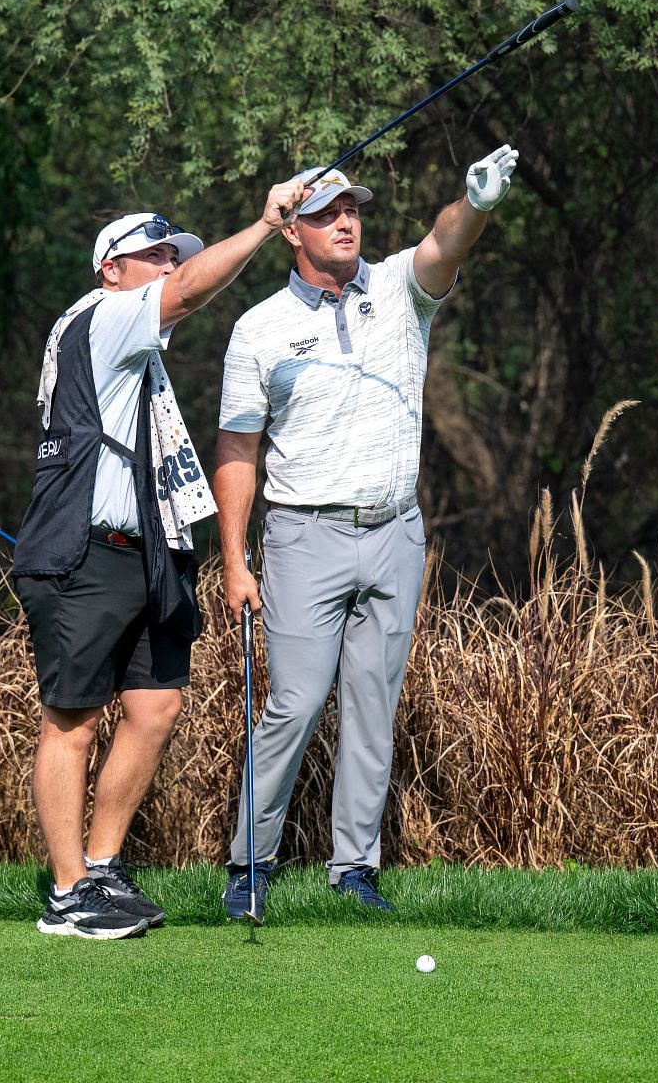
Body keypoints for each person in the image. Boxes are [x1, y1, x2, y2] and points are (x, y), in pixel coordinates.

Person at [214, 144, 519, 917]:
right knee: (297, 700)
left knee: (373, 702)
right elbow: (239, 452)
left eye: (352, 210)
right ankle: (250, 862)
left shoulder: (396, 292)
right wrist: (234, 560)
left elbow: (445, 242)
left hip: (394, 532)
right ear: (292, 230)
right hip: (302, 536)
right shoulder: (260, 329)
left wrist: (475, 202)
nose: (346, 222)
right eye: (327, 213)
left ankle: (355, 869)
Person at [14, 177, 307, 940]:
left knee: (155, 705)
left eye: (167, 257)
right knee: (71, 721)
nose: (163, 269)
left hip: (147, 548)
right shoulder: (104, 316)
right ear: (110, 269)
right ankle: (68, 892)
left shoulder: (131, 350)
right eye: (150, 257)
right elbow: (187, 294)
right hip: (87, 549)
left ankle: (103, 869)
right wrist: (265, 226)